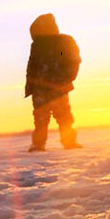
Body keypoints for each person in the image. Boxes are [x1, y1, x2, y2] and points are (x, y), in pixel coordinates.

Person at [24, 13, 82, 151]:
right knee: (41, 118)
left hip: (57, 87)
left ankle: (69, 142)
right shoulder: (37, 45)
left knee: (63, 116)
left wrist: (65, 78)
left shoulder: (64, 41)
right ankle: (39, 144)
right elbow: (32, 66)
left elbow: (73, 60)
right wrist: (31, 86)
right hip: (41, 89)